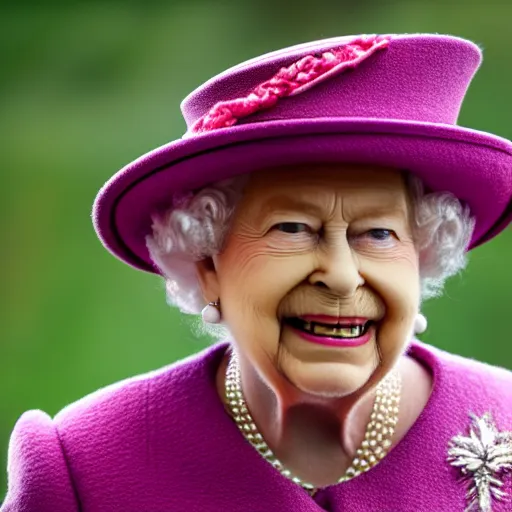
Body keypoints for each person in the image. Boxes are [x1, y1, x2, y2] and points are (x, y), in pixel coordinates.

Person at [2, 33, 511, 512]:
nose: (340, 275)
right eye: (292, 228)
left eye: (378, 234)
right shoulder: (84, 468)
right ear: (205, 263)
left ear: (422, 257)